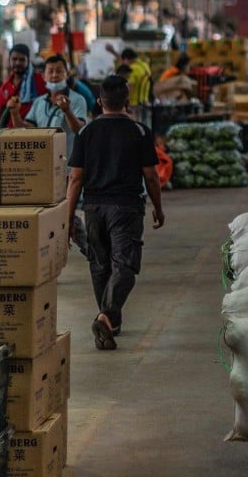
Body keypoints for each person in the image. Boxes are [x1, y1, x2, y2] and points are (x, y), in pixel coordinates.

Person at [66, 75, 165, 351]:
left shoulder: (86, 133)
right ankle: (107, 316)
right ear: (128, 101)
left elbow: (75, 179)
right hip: (126, 207)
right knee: (125, 265)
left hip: (94, 208)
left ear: (99, 102)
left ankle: (110, 322)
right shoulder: (140, 131)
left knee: (100, 266)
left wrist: (68, 218)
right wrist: (158, 207)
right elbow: (152, 176)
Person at [15, 54, 89, 257]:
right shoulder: (39, 103)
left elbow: (79, 130)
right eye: (51, 71)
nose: (55, 75)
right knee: (55, 215)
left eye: (59, 71)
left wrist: (67, 110)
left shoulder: (77, 100)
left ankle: (88, 249)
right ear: (44, 75)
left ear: (67, 73)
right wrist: (14, 114)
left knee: (67, 212)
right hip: (43, 170)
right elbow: (28, 128)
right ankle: (64, 251)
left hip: (68, 169)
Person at [0, 43, 46, 127]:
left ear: (28, 61)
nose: (18, 63)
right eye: (14, 59)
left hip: (33, 132)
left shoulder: (40, 81)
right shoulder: (5, 87)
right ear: (9, 60)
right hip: (11, 135)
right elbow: (0, 113)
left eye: (22, 60)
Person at [119, 48, 152, 113]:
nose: (123, 64)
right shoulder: (145, 65)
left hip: (133, 103)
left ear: (126, 59)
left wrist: (124, 103)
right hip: (144, 101)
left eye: (123, 61)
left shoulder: (132, 68)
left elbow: (130, 86)